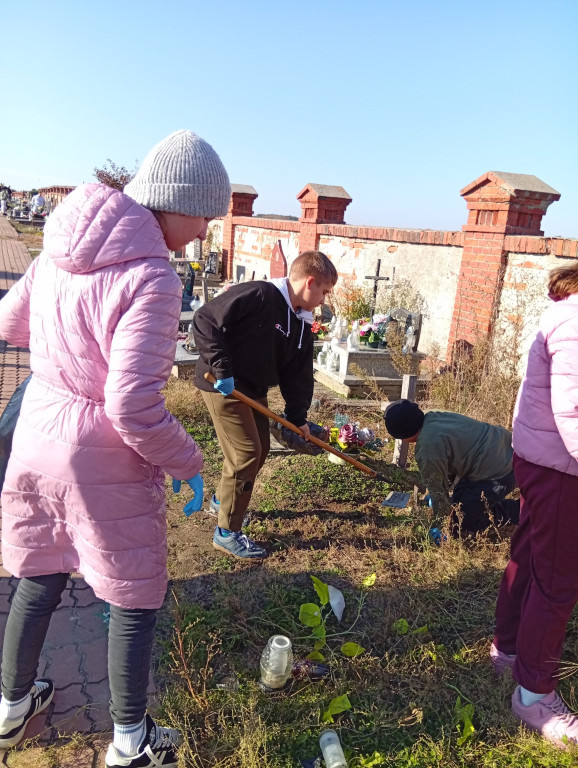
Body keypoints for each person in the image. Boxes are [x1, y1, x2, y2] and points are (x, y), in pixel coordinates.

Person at [0, 129, 230, 767]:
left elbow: (10, 325)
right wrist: (188, 460)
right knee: (132, 596)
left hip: (37, 433)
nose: (207, 232)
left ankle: (10, 712)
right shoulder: (152, 276)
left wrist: (64, 345)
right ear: (173, 203)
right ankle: (130, 744)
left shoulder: (57, 249)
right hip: (99, 456)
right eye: (206, 215)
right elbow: (132, 407)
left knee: (37, 577)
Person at [193, 251, 338, 560]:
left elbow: (297, 375)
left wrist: (297, 417)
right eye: (324, 291)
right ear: (309, 282)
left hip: (252, 387)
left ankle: (223, 500)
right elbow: (205, 319)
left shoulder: (302, 321)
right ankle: (227, 532)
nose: (324, 300)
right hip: (223, 384)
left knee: (261, 449)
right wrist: (222, 369)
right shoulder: (260, 294)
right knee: (245, 454)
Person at [491, 264, 578, 748]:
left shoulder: (566, 315)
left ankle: (508, 649)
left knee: (529, 557)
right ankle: (534, 695)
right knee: (558, 582)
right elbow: (573, 411)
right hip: (564, 470)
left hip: (544, 460)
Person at [383, 400, 519, 535]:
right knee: (458, 503)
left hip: (499, 472)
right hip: (509, 449)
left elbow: (439, 494)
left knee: (460, 523)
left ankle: (523, 510)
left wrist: (440, 525)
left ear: (401, 436)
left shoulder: (427, 449)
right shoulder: (434, 416)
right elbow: (450, 466)